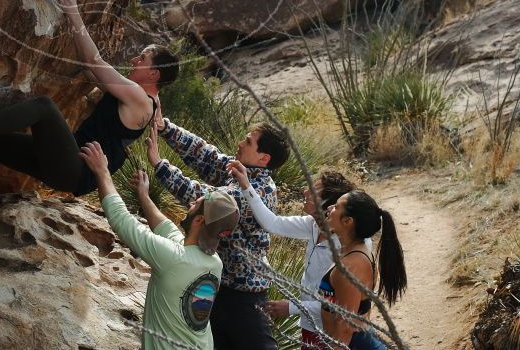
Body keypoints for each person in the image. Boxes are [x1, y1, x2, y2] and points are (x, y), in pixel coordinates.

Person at [0, 0, 179, 195]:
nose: (135, 60)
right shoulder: (145, 102)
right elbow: (91, 70)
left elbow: (95, 61)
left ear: (154, 74)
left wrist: (73, 13)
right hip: (65, 164)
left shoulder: (139, 98)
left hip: (76, 169)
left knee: (43, 107)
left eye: (143, 58)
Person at [79, 141, 240, 350]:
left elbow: (121, 219)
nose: (190, 204)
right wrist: (144, 197)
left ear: (199, 221)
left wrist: (102, 171)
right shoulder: (214, 263)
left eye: (196, 204)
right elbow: (168, 230)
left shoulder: (173, 259)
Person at [147, 118, 289, 350]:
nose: (241, 143)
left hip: (244, 300)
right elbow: (206, 155)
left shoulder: (258, 191)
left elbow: (205, 200)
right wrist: (166, 128)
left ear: (263, 158)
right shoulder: (243, 171)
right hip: (220, 287)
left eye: (249, 142)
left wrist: (158, 164)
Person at [228, 165, 365, 349]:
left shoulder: (347, 247)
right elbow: (273, 223)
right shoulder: (313, 225)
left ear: (328, 204)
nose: (304, 190)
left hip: (335, 334)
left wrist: (292, 307)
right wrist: (246, 186)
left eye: (313, 190)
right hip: (310, 327)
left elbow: (342, 309)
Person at [318, 190, 407, 349]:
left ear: (347, 221)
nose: (329, 208)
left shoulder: (351, 266)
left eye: (336, 207)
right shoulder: (354, 252)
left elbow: (345, 328)